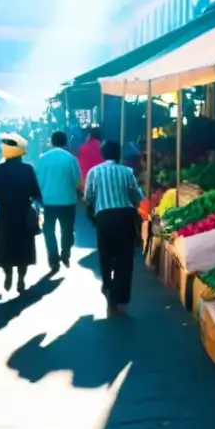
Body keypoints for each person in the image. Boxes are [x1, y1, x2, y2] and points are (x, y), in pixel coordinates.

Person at [84, 140, 143, 316]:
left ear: (103, 154)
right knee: (125, 259)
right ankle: (121, 297)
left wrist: (94, 212)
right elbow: (136, 195)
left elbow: (88, 197)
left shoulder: (94, 172)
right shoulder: (127, 171)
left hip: (104, 217)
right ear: (118, 154)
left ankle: (108, 287)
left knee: (106, 255)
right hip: (125, 216)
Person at [0, 133, 41, 293]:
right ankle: (21, 278)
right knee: (24, 247)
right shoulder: (28, 170)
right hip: (24, 214)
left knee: (5, 246)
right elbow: (36, 192)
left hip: (4, 215)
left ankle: (8, 273)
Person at [36, 130, 80, 274]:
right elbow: (77, 180)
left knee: (49, 231)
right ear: (66, 142)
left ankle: (53, 259)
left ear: (51, 141)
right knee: (67, 229)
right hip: (68, 200)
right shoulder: (71, 159)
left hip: (48, 201)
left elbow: (38, 181)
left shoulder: (43, 159)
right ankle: (65, 253)